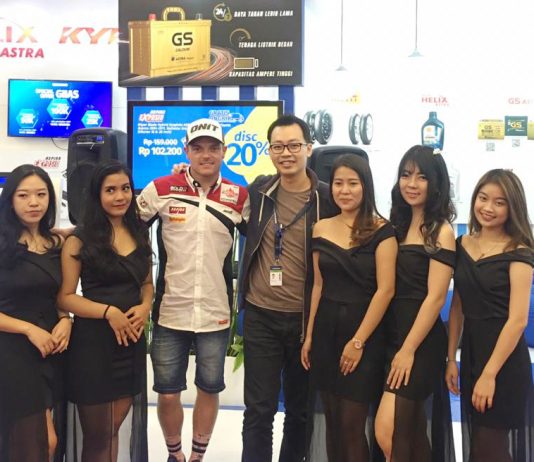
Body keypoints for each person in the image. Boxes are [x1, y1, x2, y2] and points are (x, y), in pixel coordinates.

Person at [137, 118, 248, 462]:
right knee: (168, 393)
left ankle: (198, 456)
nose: (206, 154)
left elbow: (265, 241)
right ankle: (175, 454)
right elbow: (123, 228)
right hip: (170, 311)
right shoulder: (160, 188)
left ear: (224, 151)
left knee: (209, 388)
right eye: (198, 148)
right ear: (186, 151)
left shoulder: (238, 196)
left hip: (215, 313)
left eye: (213, 147)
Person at [239, 114, 339, 462]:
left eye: (294, 145)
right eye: (278, 146)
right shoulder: (259, 191)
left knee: (299, 412)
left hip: (306, 320)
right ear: (269, 151)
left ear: (309, 148)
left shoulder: (327, 199)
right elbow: (218, 196)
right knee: (258, 410)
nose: (286, 153)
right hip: (261, 316)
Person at [301, 153, 397, 462]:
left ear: (365, 186)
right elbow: (318, 285)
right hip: (325, 334)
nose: (344, 190)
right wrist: (309, 336)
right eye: (338, 183)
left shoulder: (383, 231)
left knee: (351, 426)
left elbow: (386, 290)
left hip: (363, 338)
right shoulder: (321, 228)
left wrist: (358, 342)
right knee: (332, 424)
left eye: (352, 183)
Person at [58, 160, 153, 462]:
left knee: (112, 430)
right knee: (98, 435)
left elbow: (147, 284)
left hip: (130, 343)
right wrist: (108, 312)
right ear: (97, 195)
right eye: (110, 190)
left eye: (125, 188)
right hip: (93, 347)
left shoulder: (139, 232)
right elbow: (65, 298)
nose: (120, 196)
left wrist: (146, 306)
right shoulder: (79, 239)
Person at [374, 146, 456, 462]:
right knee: (412, 434)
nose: (412, 183)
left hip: (419, 343)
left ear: (436, 183)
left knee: (389, 431)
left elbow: (436, 298)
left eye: (422, 177)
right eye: (406, 175)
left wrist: (407, 350)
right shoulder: (395, 224)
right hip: (391, 336)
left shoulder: (441, 231)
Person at [446, 169, 534, 462]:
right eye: (483, 198)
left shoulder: (519, 252)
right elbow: (457, 306)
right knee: (481, 448)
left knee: (489, 447)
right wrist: (451, 358)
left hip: (504, 363)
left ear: (512, 208)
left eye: (499, 202)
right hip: (472, 353)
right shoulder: (462, 245)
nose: (488, 207)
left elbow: (518, 320)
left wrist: (489, 374)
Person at [0, 164, 70, 462]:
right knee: (40, 442)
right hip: (11, 351)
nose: (34, 202)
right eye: (24, 195)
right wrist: (28, 329)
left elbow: (60, 296)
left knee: (43, 442)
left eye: (41, 194)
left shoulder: (57, 242)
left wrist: (66, 319)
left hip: (50, 350)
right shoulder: (3, 244)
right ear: (10, 200)